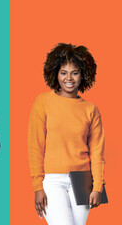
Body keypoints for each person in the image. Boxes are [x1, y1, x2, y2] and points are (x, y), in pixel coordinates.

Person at [28, 43, 104, 224]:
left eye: (75, 72)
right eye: (63, 72)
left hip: (83, 180)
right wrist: (38, 186)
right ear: (55, 73)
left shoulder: (91, 109)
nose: (68, 78)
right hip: (53, 179)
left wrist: (98, 187)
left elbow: (97, 152)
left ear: (83, 75)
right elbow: (35, 146)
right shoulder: (43, 102)